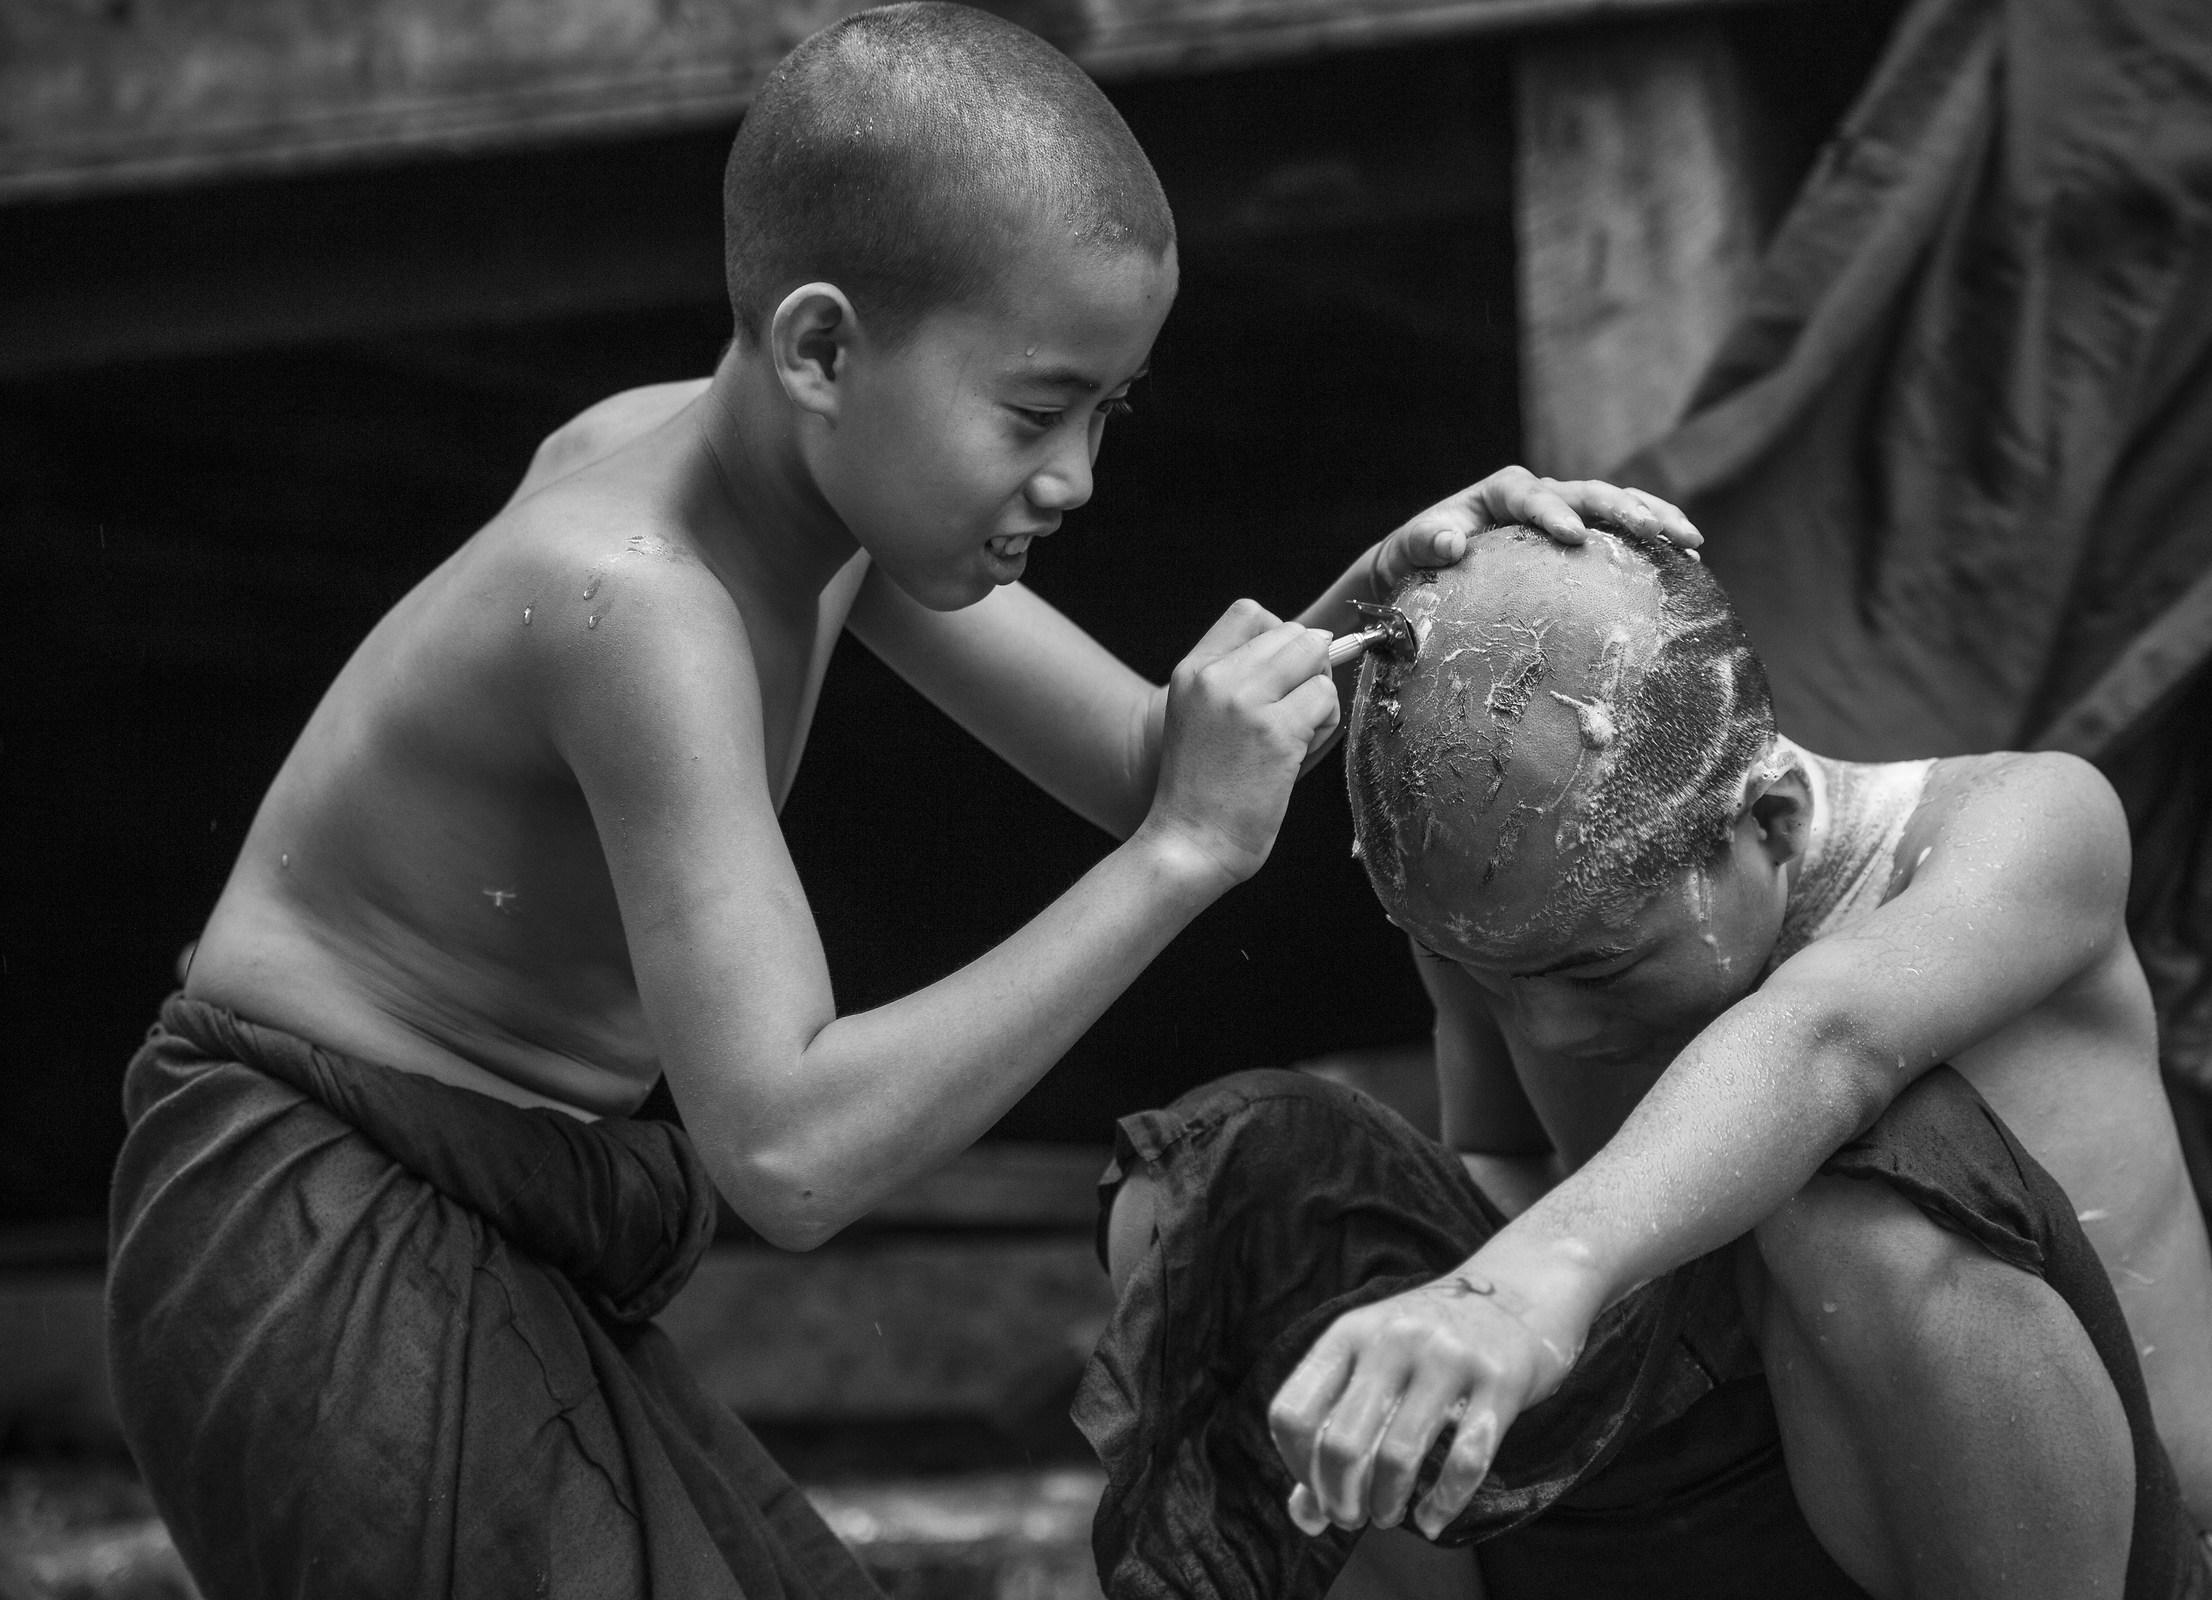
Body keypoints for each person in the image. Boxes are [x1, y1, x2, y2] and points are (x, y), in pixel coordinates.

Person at [101, 7, 1692, 1596]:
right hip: (316, 1231)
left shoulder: (796, 484)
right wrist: (1183, 859)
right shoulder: (634, 602)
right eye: (1032, 411)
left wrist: (1404, 588)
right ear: (821, 350)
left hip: (486, 1213)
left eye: (1105, 414)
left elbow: (1150, 751)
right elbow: (790, 1154)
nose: (1074, 478)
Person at [1079, 526, 2212, 1599]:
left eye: (1596, 973)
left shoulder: (2025, 827)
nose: (1546, 1031)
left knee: (1851, 1172)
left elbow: (1824, 1045)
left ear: (1775, 823)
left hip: (2110, 1561)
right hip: (1724, 1513)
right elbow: (1503, 1180)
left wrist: (1513, 1289)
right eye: (1492, 981)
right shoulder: (1500, 902)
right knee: (1230, 1194)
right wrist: (1407, 1317)